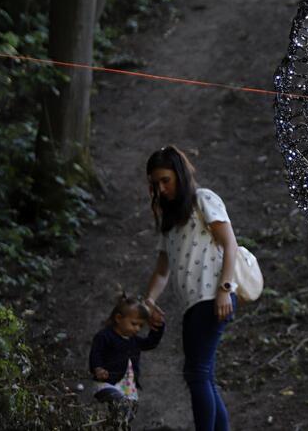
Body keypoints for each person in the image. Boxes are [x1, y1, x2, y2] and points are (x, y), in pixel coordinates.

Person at [143, 145, 239, 431]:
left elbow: (230, 244)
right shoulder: (170, 221)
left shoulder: (203, 200)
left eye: (165, 180)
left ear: (180, 175)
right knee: (202, 375)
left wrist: (224, 288)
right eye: (155, 183)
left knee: (197, 374)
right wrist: (148, 300)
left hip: (212, 297)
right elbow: (162, 271)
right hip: (193, 305)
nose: (160, 188)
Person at [89, 293, 164, 429]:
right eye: (134, 324)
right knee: (119, 403)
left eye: (141, 326)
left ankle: (109, 426)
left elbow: (151, 343)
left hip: (128, 387)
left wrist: (158, 326)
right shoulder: (105, 336)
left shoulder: (134, 340)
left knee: (129, 414)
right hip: (107, 383)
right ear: (118, 318)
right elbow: (96, 354)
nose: (137, 329)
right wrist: (98, 368)